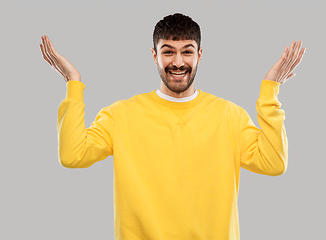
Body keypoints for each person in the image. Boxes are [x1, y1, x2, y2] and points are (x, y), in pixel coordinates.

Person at [39, 13, 305, 240]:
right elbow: (72, 155)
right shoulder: (120, 115)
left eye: (187, 51)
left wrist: (270, 92)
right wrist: (73, 83)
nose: (178, 62)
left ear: (199, 55)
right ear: (154, 55)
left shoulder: (228, 115)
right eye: (168, 52)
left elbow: (274, 163)